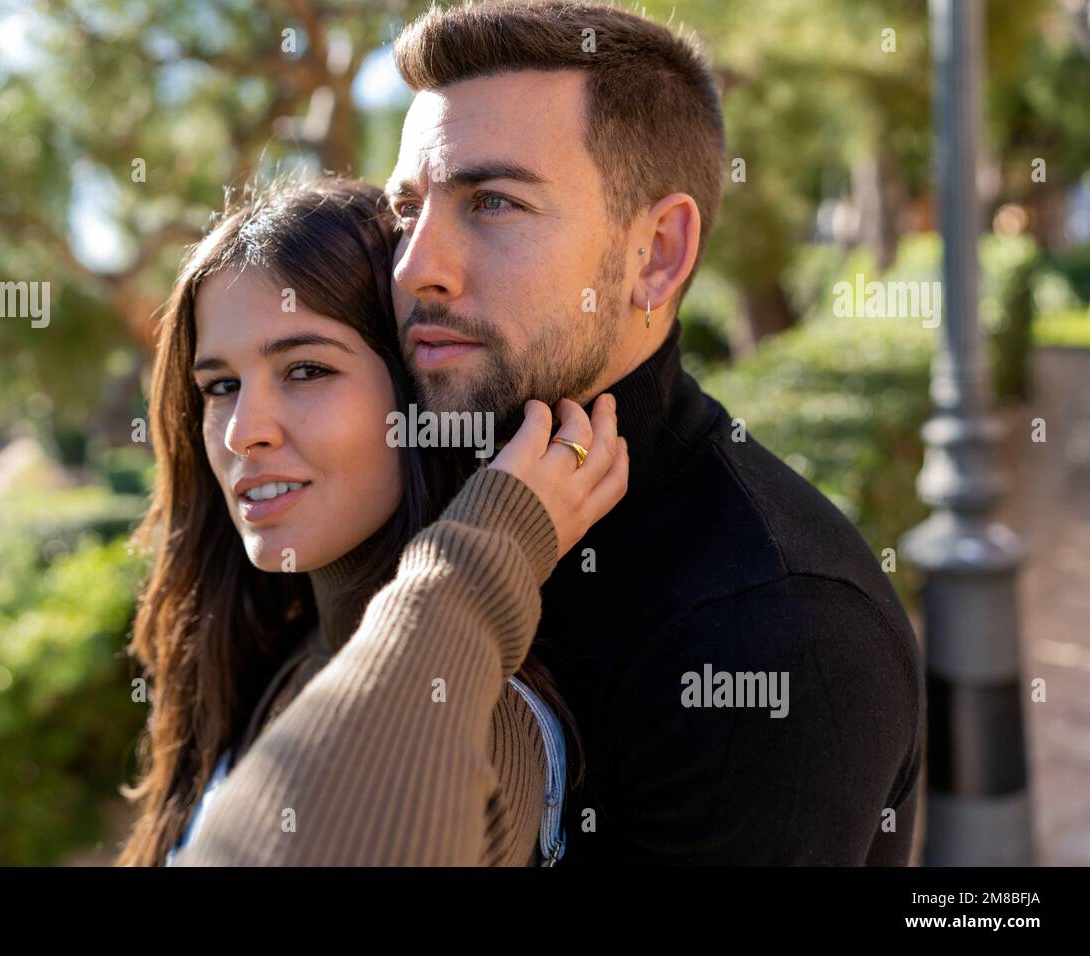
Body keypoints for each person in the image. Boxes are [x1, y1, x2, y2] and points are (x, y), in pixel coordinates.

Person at [378, 0, 925, 864]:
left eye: (492, 202)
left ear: (658, 254)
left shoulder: (775, 631)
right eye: (406, 210)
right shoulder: (398, 483)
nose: (416, 267)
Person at [117, 176, 628, 866]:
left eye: (305, 370)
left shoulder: (475, 710)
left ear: (421, 394)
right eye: (221, 386)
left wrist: (479, 559)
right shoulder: (287, 657)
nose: (243, 431)